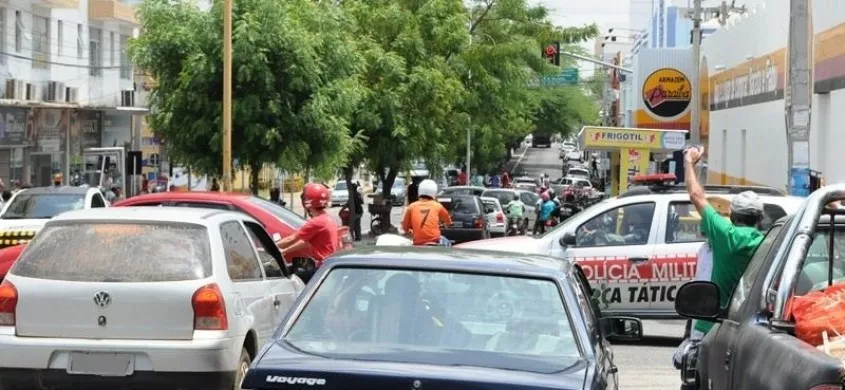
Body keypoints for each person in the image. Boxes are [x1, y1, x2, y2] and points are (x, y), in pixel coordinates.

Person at [683, 145, 764, 338]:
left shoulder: (725, 235)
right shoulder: (767, 242)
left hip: (713, 326)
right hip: (749, 331)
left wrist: (688, 163)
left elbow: (697, 196)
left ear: (732, 215)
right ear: (760, 219)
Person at [279, 183, 339, 283]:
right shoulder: (326, 218)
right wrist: (285, 250)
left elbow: (292, 239)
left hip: (321, 268)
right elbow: (305, 242)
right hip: (329, 267)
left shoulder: (316, 222)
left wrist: (271, 247)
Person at [401, 179, 452, 246]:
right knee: (448, 243)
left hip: (418, 242)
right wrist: (448, 224)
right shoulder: (437, 205)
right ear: (434, 192)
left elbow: (405, 228)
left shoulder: (411, 206)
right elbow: (448, 221)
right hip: (435, 240)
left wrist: (411, 231)